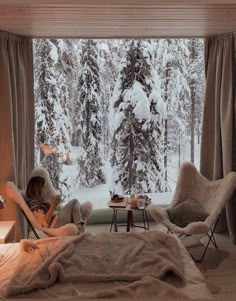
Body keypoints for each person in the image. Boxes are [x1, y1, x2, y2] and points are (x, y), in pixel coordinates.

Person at [25, 176, 93, 233]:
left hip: (56, 219)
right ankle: (80, 227)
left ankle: (79, 225)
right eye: (43, 187)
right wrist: (53, 205)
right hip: (54, 224)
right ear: (38, 188)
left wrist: (55, 203)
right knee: (74, 201)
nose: (44, 189)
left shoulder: (39, 200)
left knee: (74, 206)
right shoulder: (34, 203)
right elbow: (44, 224)